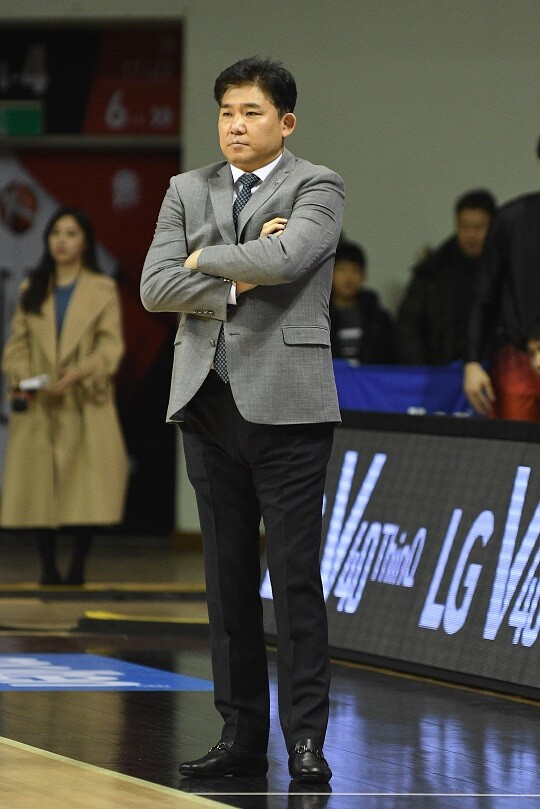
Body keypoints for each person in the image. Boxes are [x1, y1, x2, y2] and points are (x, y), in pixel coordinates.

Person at [141, 56, 344, 783]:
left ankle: (306, 739)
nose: (235, 124)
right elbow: (154, 286)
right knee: (226, 584)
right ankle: (240, 736)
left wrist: (203, 258)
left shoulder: (318, 184)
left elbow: (289, 258)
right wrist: (236, 273)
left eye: (251, 112)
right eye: (227, 112)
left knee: (293, 580)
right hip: (206, 400)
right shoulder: (185, 187)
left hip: (289, 405)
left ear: (285, 122)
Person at [0, 206, 129, 585]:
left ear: (85, 241)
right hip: (40, 401)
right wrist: (25, 376)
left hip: (83, 399)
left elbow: (110, 346)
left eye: (71, 233)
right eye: (56, 233)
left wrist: (80, 372)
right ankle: (47, 568)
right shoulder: (32, 287)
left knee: (85, 486)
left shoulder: (102, 289)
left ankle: (76, 568)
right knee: (38, 485)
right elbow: (16, 344)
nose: (61, 241)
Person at [464, 138, 540, 421]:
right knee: (512, 445)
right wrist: (472, 361)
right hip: (517, 359)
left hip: (522, 354)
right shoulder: (511, 220)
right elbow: (483, 294)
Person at [396, 189, 497, 364]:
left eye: (478, 227)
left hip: (495, 370)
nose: (471, 234)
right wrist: (422, 371)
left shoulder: (506, 270)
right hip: (440, 372)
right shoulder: (432, 272)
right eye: (464, 226)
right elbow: (408, 326)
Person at [330, 239, 397, 364]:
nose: (348, 277)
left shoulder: (379, 319)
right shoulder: (319, 317)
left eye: (355, 270)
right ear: (330, 274)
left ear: (363, 275)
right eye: (342, 269)